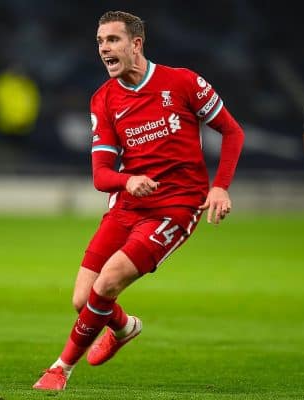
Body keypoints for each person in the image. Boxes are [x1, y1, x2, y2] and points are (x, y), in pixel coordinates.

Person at [33, 11, 245, 391]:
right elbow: (101, 176)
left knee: (109, 280)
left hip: (176, 207)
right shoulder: (104, 99)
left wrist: (219, 186)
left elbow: (231, 131)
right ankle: (125, 327)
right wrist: (128, 181)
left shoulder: (182, 82)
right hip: (127, 205)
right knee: (83, 299)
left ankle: (60, 368)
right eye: (99, 42)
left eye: (112, 40)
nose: (104, 49)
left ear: (136, 44)